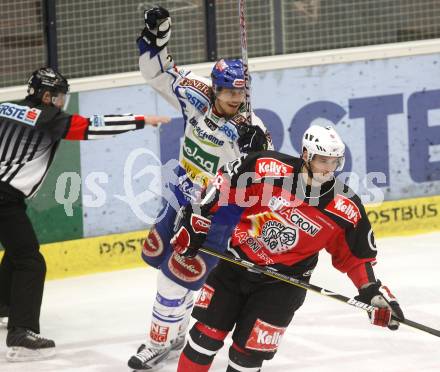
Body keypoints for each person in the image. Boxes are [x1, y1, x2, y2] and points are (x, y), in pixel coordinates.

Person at [170, 125, 405, 372]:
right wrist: (197, 216)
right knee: (204, 338)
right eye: (322, 160)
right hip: (235, 265)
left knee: (246, 357)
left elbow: (355, 257)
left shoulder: (345, 207)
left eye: (334, 162)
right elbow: (225, 183)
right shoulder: (266, 168)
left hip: (283, 285)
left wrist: (371, 292)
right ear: (306, 155)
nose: (328, 168)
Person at [128, 6, 273, 370]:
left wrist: (257, 151)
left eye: (241, 95)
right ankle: (174, 329)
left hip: (216, 213)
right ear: (216, 88)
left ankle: (158, 341)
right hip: (181, 193)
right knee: (158, 257)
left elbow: (263, 179)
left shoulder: (251, 128)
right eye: (229, 94)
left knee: (174, 276)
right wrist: (156, 37)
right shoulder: (194, 94)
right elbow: (156, 72)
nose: (236, 101)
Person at [0, 66, 170, 362]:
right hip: (4, 198)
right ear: (46, 95)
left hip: (6, 197)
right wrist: (141, 120)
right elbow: (93, 126)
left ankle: (3, 306)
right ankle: (21, 334)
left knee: (18, 252)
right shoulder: (47, 117)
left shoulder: (5, 109)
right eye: (59, 97)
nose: (61, 103)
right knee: (30, 260)